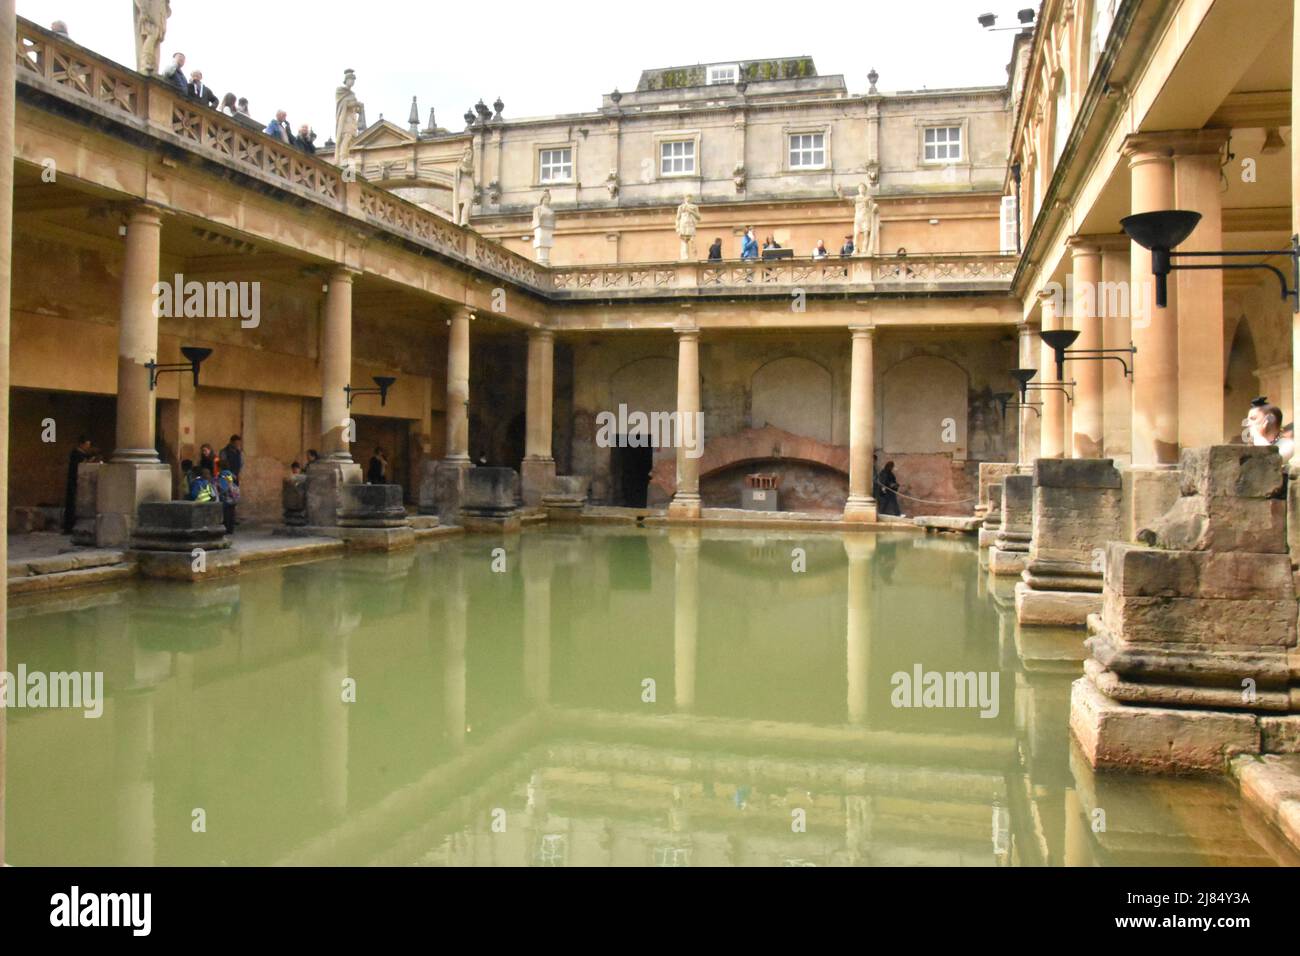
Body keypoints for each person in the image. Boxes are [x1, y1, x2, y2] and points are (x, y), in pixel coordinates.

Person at [63, 436, 96, 534]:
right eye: (86, 445)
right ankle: (69, 527)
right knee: (72, 504)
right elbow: (79, 466)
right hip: (74, 482)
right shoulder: (76, 453)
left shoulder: (83, 454)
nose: (87, 447)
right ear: (81, 444)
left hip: (79, 482)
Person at [215, 468, 240, 533]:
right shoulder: (230, 475)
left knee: (226, 515)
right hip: (233, 500)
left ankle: (226, 529)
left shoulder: (221, 476)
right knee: (232, 515)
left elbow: (222, 488)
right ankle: (230, 529)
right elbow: (234, 479)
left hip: (226, 500)